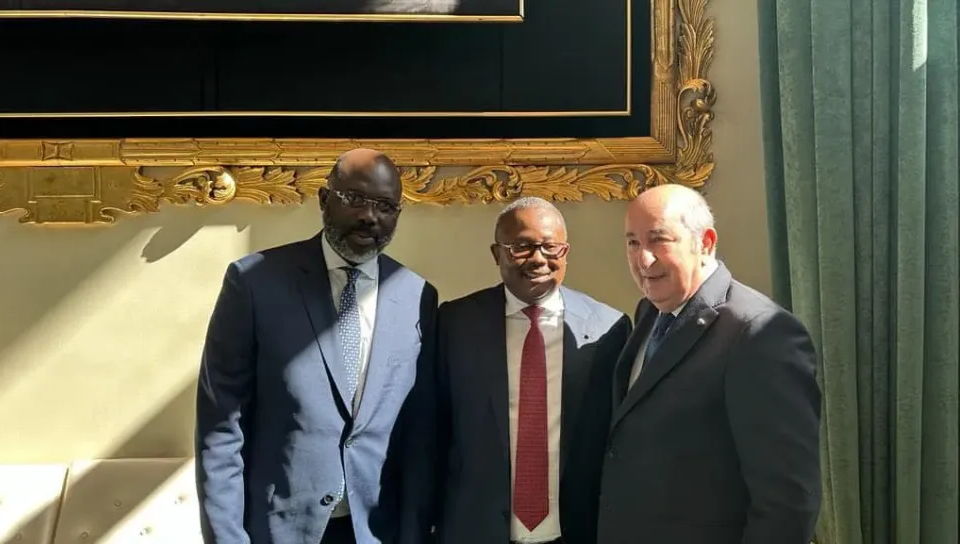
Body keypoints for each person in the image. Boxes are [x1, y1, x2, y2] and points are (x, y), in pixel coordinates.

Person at [194, 148, 438, 544]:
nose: (369, 216)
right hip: (280, 529)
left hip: (376, 530)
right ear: (324, 199)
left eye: (385, 206)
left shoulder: (417, 295)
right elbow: (221, 425)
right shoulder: (254, 283)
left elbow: (419, 433)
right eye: (354, 198)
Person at [598, 184, 822, 544]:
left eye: (659, 240)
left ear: (705, 242)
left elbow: (789, 501)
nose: (644, 260)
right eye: (633, 243)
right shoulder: (650, 312)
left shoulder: (761, 333)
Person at [405, 197, 631, 544]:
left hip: (577, 531)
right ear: (497, 254)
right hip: (475, 530)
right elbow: (428, 432)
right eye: (522, 247)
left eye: (550, 247)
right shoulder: (455, 323)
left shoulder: (610, 328)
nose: (538, 258)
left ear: (565, 253)